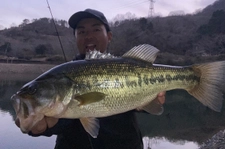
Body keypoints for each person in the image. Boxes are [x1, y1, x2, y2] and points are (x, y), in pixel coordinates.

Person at [15, 8, 166, 149]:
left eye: (96, 29)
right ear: (75, 38)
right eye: (81, 32)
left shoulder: (129, 67)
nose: (88, 36)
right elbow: (61, 117)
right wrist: (44, 126)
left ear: (109, 36)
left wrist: (150, 101)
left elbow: (143, 102)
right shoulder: (61, 76)